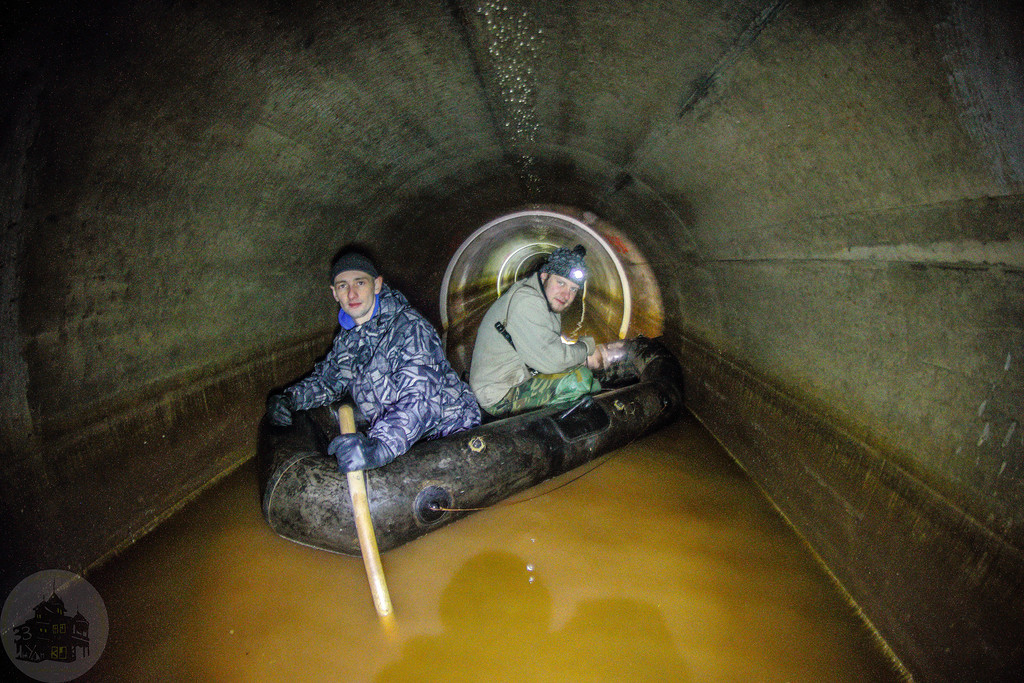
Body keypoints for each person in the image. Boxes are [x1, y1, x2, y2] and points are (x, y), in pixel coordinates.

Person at [266, 250, 481, 472]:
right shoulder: (347, 341)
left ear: (377, 285)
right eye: (342, 286)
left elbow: (423, 399)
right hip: (402, 439)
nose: (351, 294)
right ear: (334, 293)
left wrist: (380, 446)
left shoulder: (409, 328)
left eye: (360, 283)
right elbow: (326, 381)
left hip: (448, 433)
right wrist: (289, 399)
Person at [469, 244, 605, 417]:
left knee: (594, 385)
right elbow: (552, 361)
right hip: (498, 394)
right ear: (544, 277)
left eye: (573, 289)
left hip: (516, 377)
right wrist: (586, 348)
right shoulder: (527, 301)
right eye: (561, 283)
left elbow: (550, 349)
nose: (566, 295)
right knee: (579, 380)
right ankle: (546, 432)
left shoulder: (546, 300)